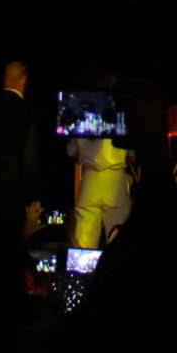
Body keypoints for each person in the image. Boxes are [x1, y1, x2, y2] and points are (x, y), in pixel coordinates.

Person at [0, 62, 43, 238]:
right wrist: (33, 198)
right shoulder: (27, 112)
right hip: (14, 196)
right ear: (24, 80)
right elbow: (29, 159)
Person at [68, 76, 133, 250]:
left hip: (90, 179)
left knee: (83, 243)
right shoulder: (121, 112)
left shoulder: (83, 114)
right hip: (116, 180)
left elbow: (71, 150)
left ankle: (82, 268)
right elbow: (132, 148)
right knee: (119, 240)